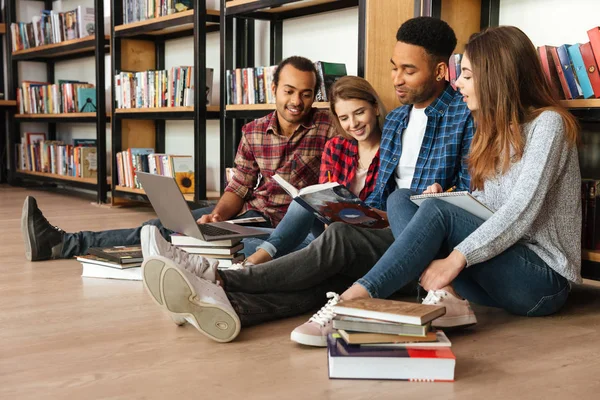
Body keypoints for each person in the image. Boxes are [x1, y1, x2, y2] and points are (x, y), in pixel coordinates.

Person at [138, 17, 479, 345]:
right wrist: (352, 212)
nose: (397, 79)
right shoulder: (398, 120)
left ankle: (218, 277)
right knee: (329, 263)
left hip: (423, 236)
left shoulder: (464, 115)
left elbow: (467, 195)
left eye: (409, 70)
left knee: (339, 242)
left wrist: (436, 196)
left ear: (439, 71)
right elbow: (379, 194)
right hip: (384, 227)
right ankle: (230, 304)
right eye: (394, 67)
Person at [20, 56, 336, 262]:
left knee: (187, 240)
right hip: (252, 215)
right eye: (289, 91)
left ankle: (68, 245)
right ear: (274, 88)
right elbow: (238, 188)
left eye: (306, 94)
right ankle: (62, 243)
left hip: (292, 228)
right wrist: (218, 216)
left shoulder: (328, 126)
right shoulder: (253, 131)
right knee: (162, 226)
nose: (297, 101)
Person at [240, 75, 387, 267]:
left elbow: (393, 212)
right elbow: (325, 199)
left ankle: (258, 259)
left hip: (370, 235)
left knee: (254, 245)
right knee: (304, 202)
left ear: (375, 108)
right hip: (332, 229)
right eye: (344, 118)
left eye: (359, 112)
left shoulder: (391, 148)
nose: (353, 124)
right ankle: (259, 258)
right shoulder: (336, 146)